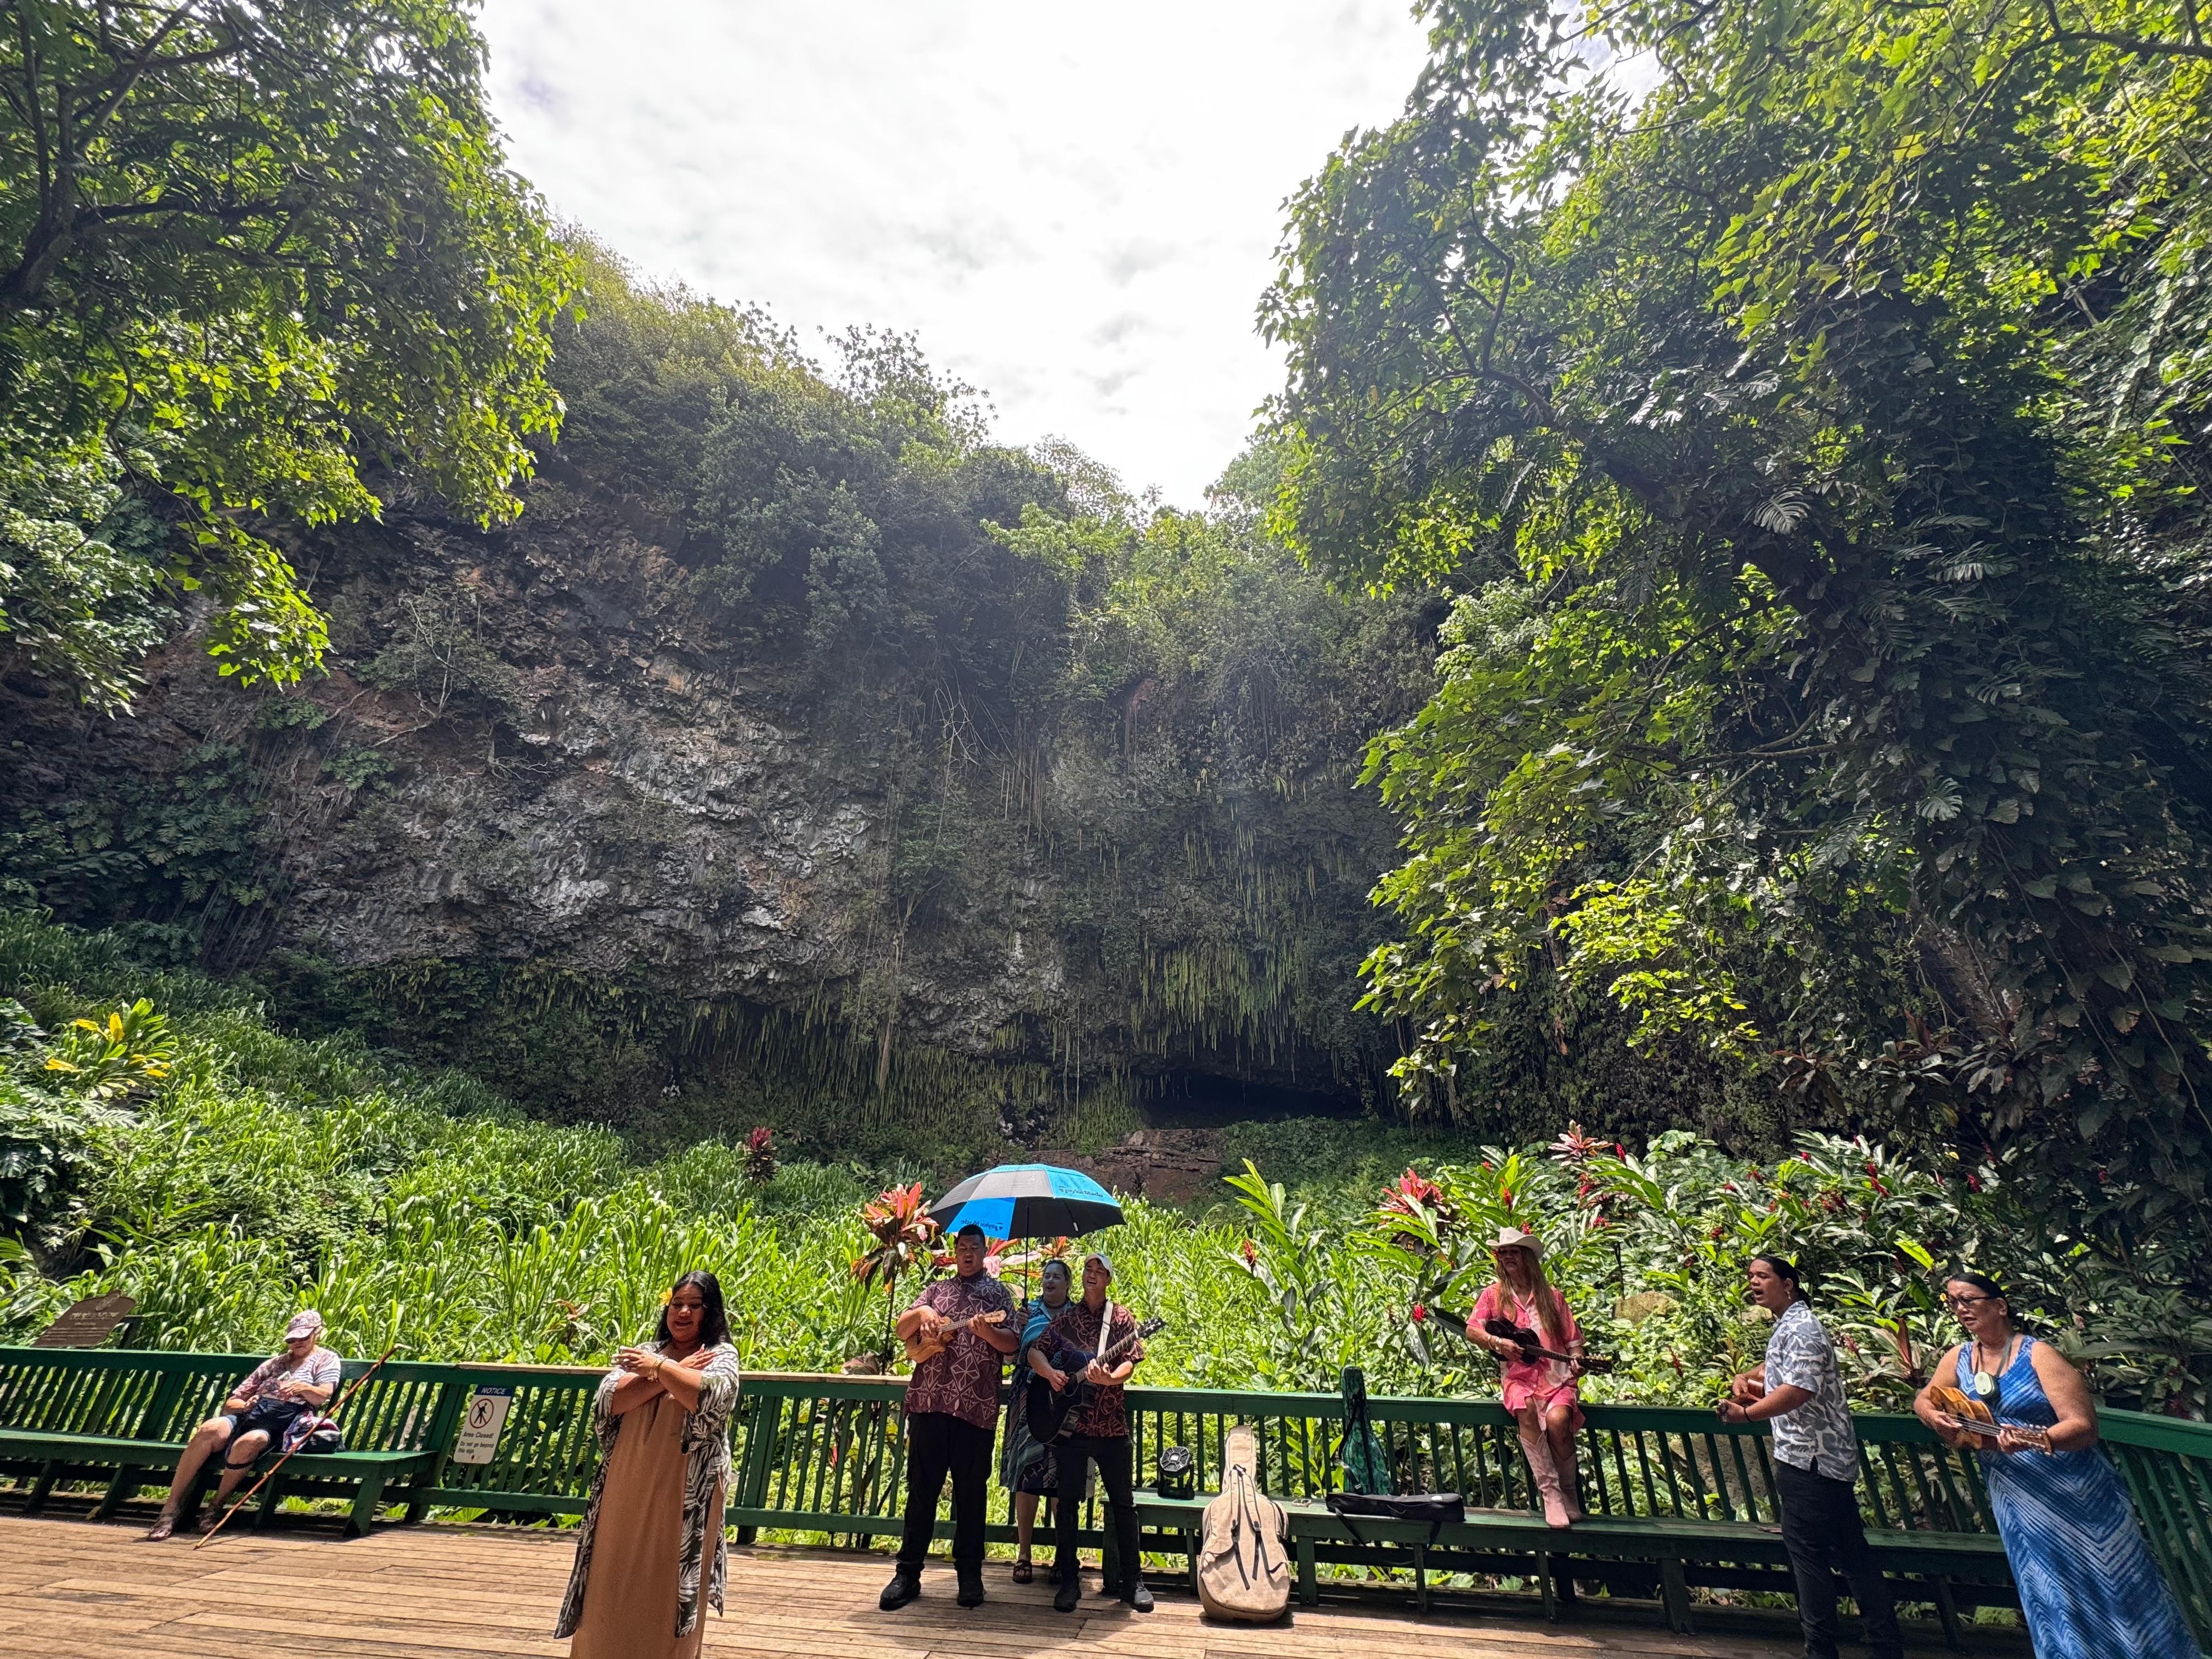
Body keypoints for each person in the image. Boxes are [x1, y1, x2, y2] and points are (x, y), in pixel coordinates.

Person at [1911, 1271, 2198, 1658]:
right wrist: (1934, 1417)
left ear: (1999, 1306)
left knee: (2115, 1586)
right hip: (2018, 1502)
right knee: (2050, 1595)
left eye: (1969, 1300)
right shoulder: (1960, 1358)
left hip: (2077, 1498)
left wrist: (2034, 1439)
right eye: (1953, 1303)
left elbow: (2084, 1427)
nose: (1961, 1309)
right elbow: (1923, 1399)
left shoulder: (2038, 1354)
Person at [1720, 1255, 1903, 1659]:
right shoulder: (1792, 1326)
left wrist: (1747, 1413)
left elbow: (1798, 1389)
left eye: (1763, 1276)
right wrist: (1748, 1377)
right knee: (1853, 1555)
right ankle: (1884, 1644)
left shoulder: (1802, 1328)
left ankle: (1821, 1650)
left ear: (1789, 1284)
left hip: (1812, 1462)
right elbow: (1781, 1367)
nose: (1754, 1282)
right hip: (1819, 1461)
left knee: (1809, 1560)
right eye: (1751, 1276)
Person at [555, 1271, 743, 1659]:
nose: (684, 1312)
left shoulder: (721, 1356)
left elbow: (710, 1397)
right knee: (610, 1577)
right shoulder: (646, 1348)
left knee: (666, 1586)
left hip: (683, 1494)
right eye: (677, 1304)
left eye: (694, 1305)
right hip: (626, 1484)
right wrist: (670, 1368)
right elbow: (612, 1400)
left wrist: (656, 1370)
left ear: (711, 1312)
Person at [881, 1222, 1019, 1612]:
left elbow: (1012, 1346)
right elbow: (902, 1328)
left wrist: (988, 1334)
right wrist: (924, 1312)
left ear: (984, 1252)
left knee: (972, 1496)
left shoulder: (998, 1295)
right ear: (954, 1252)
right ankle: (907, 1574)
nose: (968, 1253)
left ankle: (970, 1577)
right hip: (929, 1404)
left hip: (975, 1411)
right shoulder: (936, 1290)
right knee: (921, 1494)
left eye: (975, 1247)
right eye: (962, 1247)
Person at [143, 1309, 340, 1540]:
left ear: (317, 1333)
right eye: (292, 1339)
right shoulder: (273, 1364)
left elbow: (323, 1395)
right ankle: (171, 1508)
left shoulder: (327, 1359)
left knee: (251, 1441)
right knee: (209, 1429)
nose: (297, 1343)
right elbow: (231, 1403)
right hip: (251, 1414)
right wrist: (246, 1405)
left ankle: (216, 1506)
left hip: (284, 1421)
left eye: (303, 1338)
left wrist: (302, 1388)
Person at [1036, 1250, 1153, 1614]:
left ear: (1108, 1280)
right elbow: (1036, 1352)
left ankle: (1132, 1582)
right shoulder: (1067, 1319)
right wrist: (1049, 1374)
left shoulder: (1120, 1318)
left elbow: (1130, 1361)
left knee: (1123, 1504)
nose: (1091, 1275)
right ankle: (1069, 1581)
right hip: (1072, 1427)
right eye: (1088, 1269)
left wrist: (1110, 1377)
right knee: (1067, 1503)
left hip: (1111, 1424)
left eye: (1099, 1271)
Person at [1465, 1225, 1587, 1528]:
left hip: (1557, 1379)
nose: (1506, 1257)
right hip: (1519, 1379)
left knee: (1560, 1421)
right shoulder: (1493, 1295)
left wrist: (1579, 1364)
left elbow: (1575, 1346)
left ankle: (1569, 1491)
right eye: (1502, 1252)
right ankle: (1551, 1495)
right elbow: (1472, 1329)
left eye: (1513, 1252)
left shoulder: (1553, 1298)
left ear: (1527, 1258)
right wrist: (1497, 1343)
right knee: (1527, 1409)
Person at [1001, 1255, 1073, 1584]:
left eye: (1057, 1276)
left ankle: (1063, 1555)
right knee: (1026, 1477)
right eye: (1046, 1276)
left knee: (1062, 1479)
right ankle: (1024, 1554)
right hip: (1027, 1402)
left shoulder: (1078, 1315)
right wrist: (1017, 1326)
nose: (1050, 1281)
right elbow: (1008, 1356)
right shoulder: (1028, 1312)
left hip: (1065, 1405)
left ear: (1068, 1284)